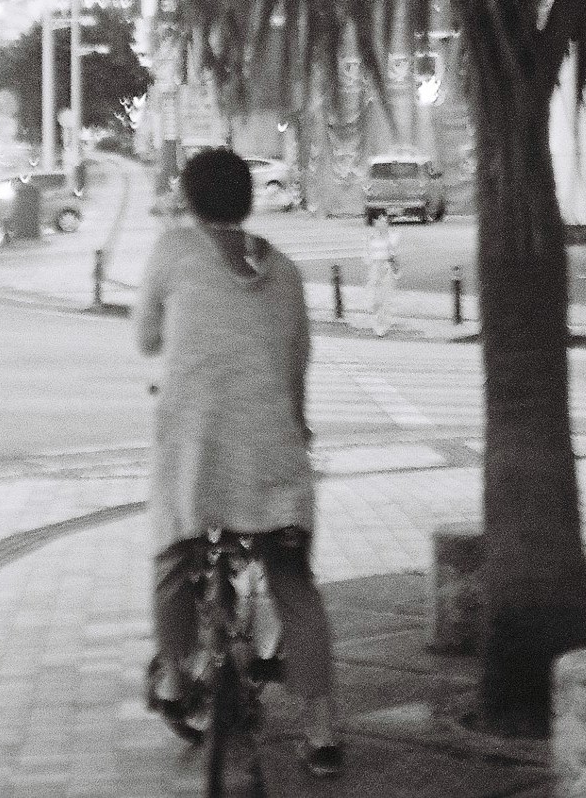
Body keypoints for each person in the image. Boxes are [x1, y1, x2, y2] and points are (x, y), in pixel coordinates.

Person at [137, 147, 342, 780]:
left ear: (189, 199)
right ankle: (323, 729)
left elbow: (146, 336)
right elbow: (296, 367)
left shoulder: (173, 250)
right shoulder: (282, 269)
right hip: (274, 457)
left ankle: (175, 675)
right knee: (291, 582)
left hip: (196, 455)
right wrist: (296, 429)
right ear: (247, 199)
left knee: (176, 559)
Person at [365, 212, 399, 337]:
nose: (381, 223)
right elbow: (367, 256)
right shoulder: (370, 237)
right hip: (375, 268)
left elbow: (394, 254)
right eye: (378, 221)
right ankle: (376, 322)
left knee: (386, 297)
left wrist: (393, 268)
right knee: (375, 298)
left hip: (386, 267)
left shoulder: (393, 236)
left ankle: (383, 326)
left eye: (384, 221)